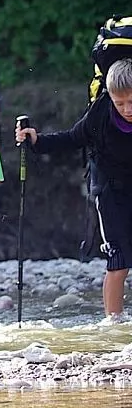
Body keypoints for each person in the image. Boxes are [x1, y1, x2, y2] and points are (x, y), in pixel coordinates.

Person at [15, 59, 132, 320]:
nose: (127, 109)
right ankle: (114, 324)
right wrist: (37, 140)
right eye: (120, 102)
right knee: (118, 258)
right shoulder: (101, 112)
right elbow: (72, 138)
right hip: (110, 189)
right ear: (110, 96)